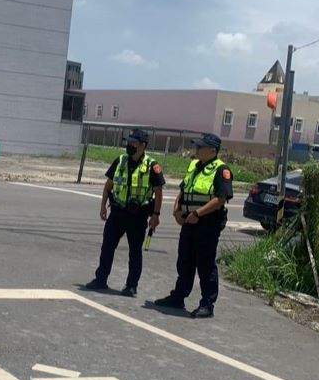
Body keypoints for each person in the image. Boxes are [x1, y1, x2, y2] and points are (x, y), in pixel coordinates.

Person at [154, 133, 233, 318]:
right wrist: (176, 211)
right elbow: (183, 191)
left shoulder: (221, 170)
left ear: (212, 150)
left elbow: (221, 199)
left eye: (200, 147)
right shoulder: (194, 166)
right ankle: (178, 296)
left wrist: (198, 213)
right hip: (188, 223)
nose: (196, 150)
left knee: (205, 267)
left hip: (207, 225)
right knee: (185, 262)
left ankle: (207, 304)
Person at [85, 129, 165, 297]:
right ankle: (101, 279)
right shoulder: (120, 160)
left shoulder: (152, 165)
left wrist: (156, 215)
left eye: (134, 143)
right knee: (107, 246)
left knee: (135, 251)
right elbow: (108, 185)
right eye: (129, 142)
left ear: (143, 145)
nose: (130, 145)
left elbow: (158, 191)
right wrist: (102, 206)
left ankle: (131, 286)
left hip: (138, 216)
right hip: (117, 213)